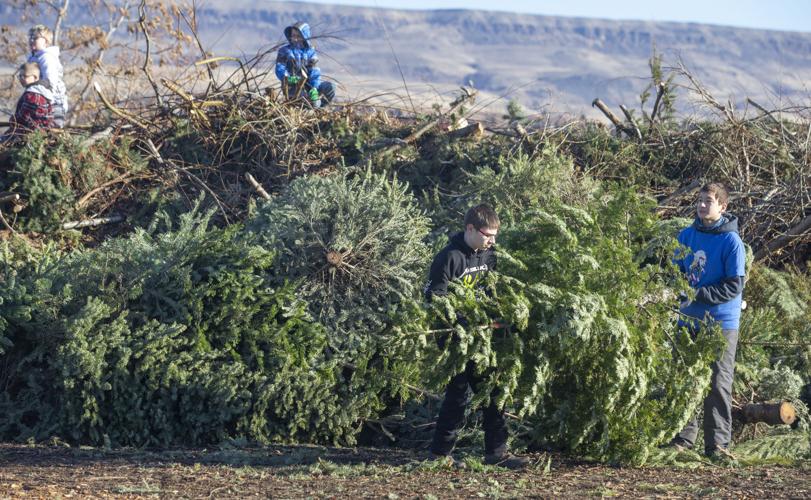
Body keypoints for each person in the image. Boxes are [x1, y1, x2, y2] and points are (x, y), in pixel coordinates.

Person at [424, 204, 529, 470]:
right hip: (454, 336)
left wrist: (499, 318)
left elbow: (492, 289)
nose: (492, 241)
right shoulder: (448, 257)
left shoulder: (489, 255)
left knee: (493, 390)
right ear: (470, 228)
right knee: (458, 395)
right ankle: (439, 454)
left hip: (483, 335)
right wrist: (463, 323)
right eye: (487, 235)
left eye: (495, 236)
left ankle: (497, 452)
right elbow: (435, 297)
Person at [670, 182, 746, 459]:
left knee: (717, 383)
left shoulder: (731, 242)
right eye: (700, 200)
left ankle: (718, 446)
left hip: (720, 323)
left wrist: (698, 294)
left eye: (709, 201)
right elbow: (675, 271)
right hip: (687, 320)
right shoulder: (686, 235)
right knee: (684, 379)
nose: (702, 206)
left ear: (722, 207)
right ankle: (683, 440)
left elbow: (734, 285)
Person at [274, 22, 335, 108]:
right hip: (292, 88)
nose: (295, 39)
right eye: (293, 36)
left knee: (331, 87)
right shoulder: (284, 51)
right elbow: (280, 68)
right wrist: (288, 78)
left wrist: (314, 88)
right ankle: (314, 106)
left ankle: (319, 107)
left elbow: (314, 72)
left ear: (304, 37)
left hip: (309, 86)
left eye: (298, 36)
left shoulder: (310, 52)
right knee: (313, 103)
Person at [1, 62, 54, 143]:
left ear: (35, 77)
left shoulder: (32, 95)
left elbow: (23, 118)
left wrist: (13, 120)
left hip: (29, 133)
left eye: (25, 76)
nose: (21, 78)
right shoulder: (43, 92)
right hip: (42, 132)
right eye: (20, 76)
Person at [28, 24, 67, 128]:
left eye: (35, 38)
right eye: (30, 37)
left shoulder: (46, 58)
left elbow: (50, 83)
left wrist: (45, 105)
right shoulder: (33, 58)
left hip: (53, 103)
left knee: (51, 131)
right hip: (39, 102)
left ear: (46, 41)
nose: (31, 40)